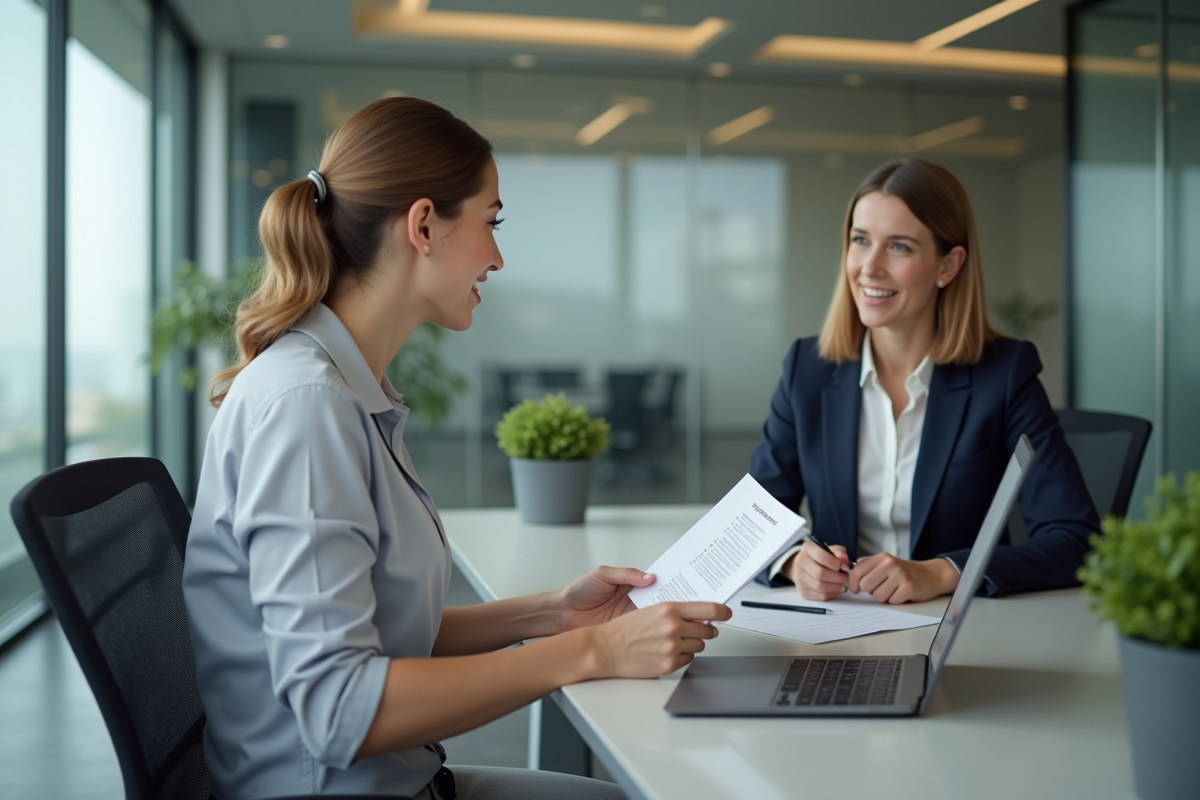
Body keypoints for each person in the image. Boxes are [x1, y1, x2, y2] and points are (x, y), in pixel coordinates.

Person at [182, 97, 730, 800]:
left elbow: (381, 626)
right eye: (490, 221)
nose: (498, 256)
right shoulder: (307, 407)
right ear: (422, 225)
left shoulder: (349, 389)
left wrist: (555, 612)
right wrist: (592, 651)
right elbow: (339, 707)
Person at [749, 157, 1098, 604]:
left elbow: (1075, 537)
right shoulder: (808, 369)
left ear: (948, 266)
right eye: (861, 240)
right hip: (839, 628)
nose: (870, 268)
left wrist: (943, 572)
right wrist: (795, 561)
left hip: (960, 631)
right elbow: (752, 524)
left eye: (899, 247)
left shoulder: (1004, 374)